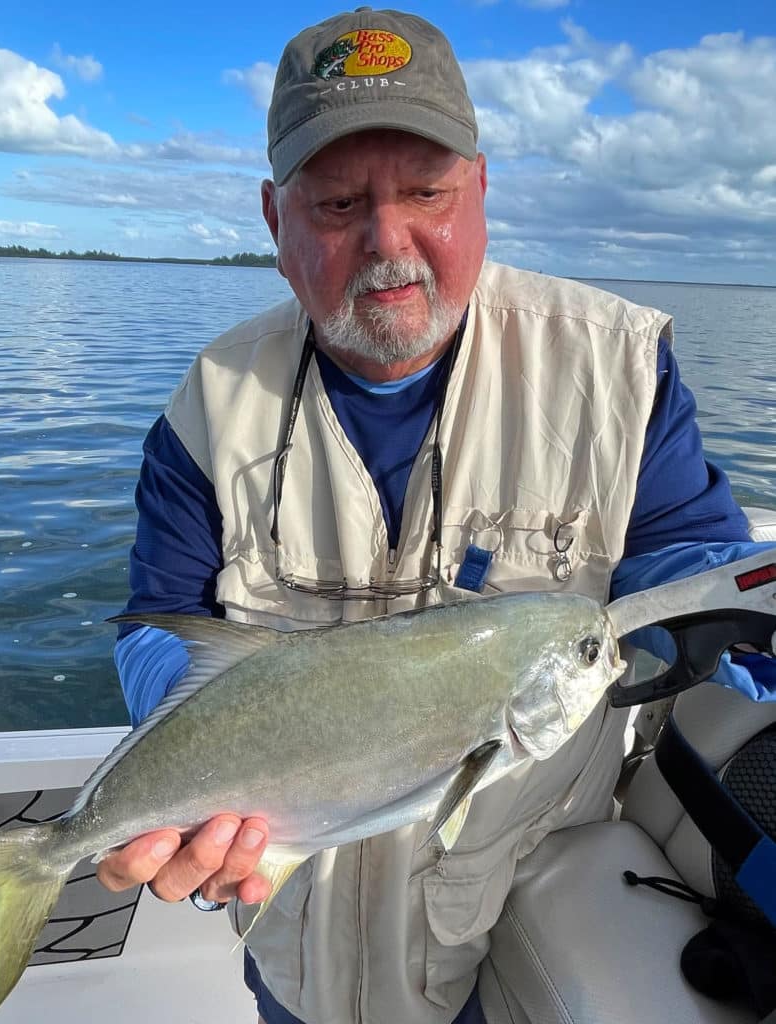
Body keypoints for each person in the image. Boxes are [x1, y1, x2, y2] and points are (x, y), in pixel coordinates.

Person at [96, 8, 776, 1024]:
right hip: (290, 929)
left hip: (506, 914)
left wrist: (720, 619)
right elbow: (162, 620)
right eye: (336, 204)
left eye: (428, 192)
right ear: (274, 222)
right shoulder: (208, 408)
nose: (389, 242)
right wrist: (195, 761)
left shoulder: (616, 367)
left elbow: (686, 558)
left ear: (483, 195)